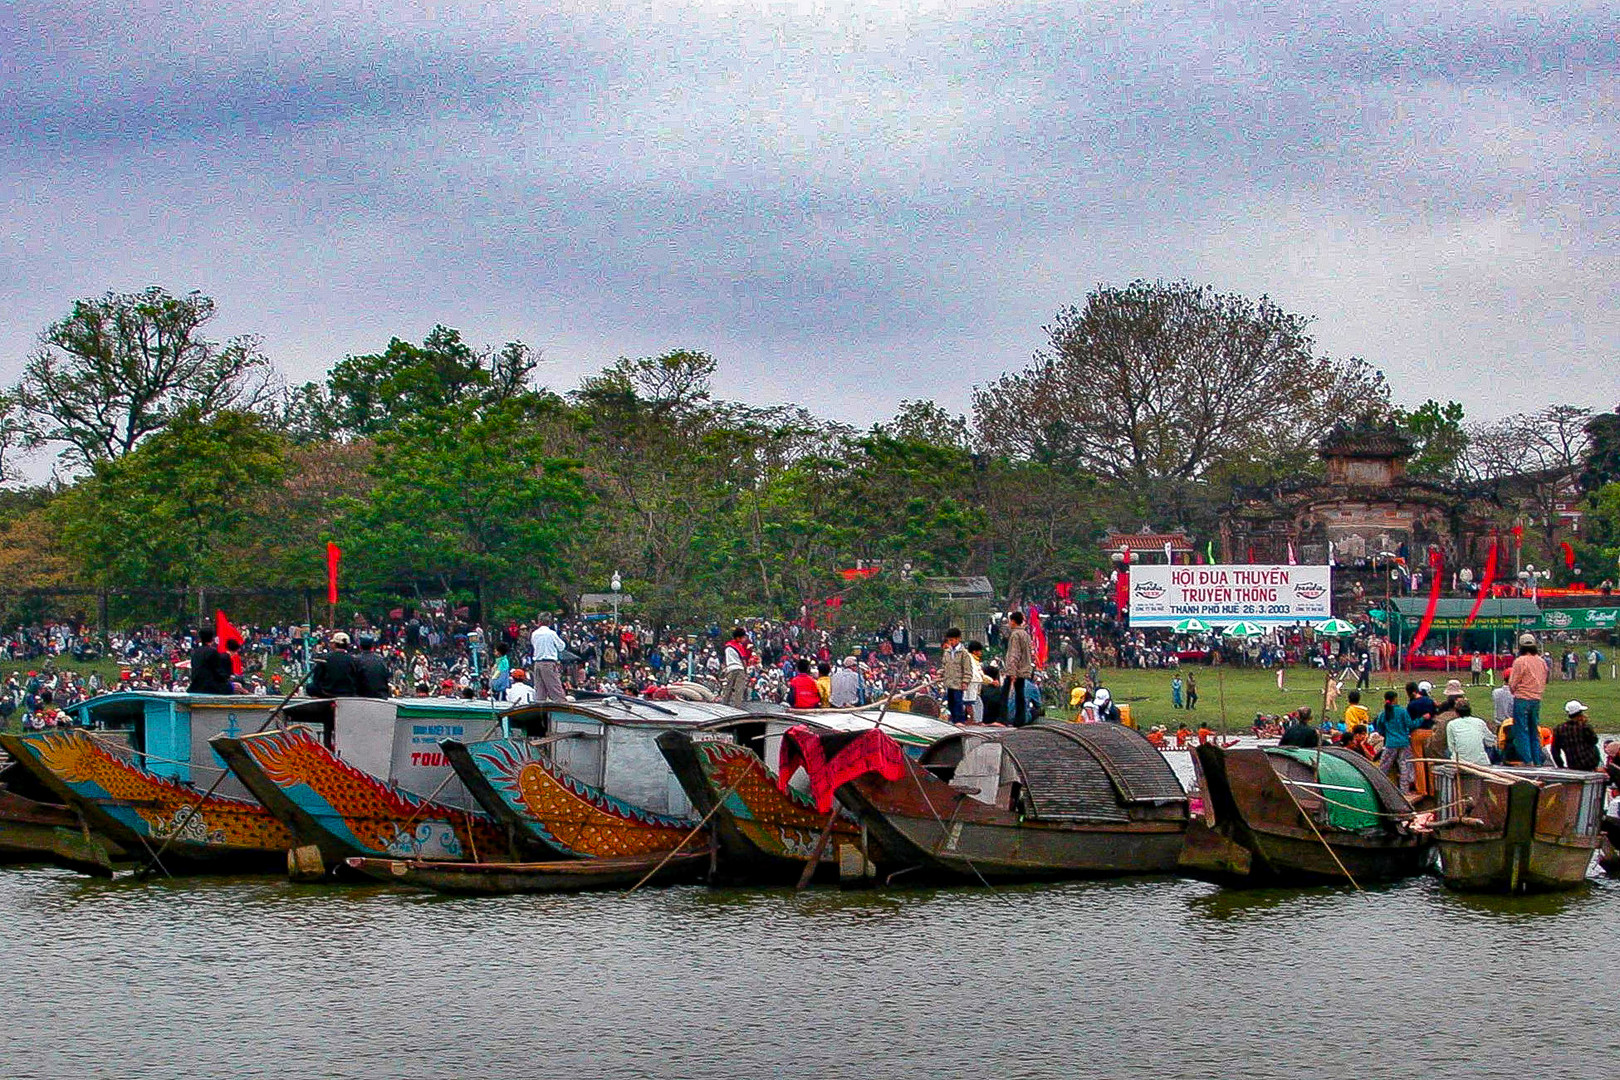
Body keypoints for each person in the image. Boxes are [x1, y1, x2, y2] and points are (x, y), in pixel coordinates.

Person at [1507, 633, 1548, 767]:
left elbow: (1513, 682)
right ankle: (1537, 761)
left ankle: (1527, 760)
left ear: (1521, 647)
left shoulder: (1520, 661)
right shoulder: (1541, 661)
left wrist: (1513, 690)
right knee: (1533, 731)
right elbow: (1545, 679)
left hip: (1522, 699)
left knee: (1521, 731)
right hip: (1537, 699)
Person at [1374, 689, 1416, 793]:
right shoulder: (1402, 711)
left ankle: (1380, 788)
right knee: (1404, 766)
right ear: (1395, 699)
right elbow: (1410, 725)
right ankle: (1404, 790)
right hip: (1404, 742)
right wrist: (1421, 720)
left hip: (1390, 743)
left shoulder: (1384, 713)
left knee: (1384, 767)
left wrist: (1386, 735)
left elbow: (1379, 727)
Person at [1002, 611, 1034, 727]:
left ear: (1013, 621)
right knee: (1020, 695)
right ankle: (1020, 720)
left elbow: (1014, 654)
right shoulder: (1025, 634)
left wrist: (1012, 672)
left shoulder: (1015, 634)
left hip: (1016, 670)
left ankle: (1002, 719)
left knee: (1004, 694)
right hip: (1024, 669)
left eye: (1010, 621)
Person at [1551, 700, 1600, 771]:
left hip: (1572, 764)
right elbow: (1594, 740)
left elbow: (1554, 750)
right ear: (1580, 714)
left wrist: (1560, 766)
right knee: (1595, 747)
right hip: (1589, 763)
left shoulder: (1558, 729)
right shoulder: (1585, 727)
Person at [308, 632, 359, 698]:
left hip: (327, 693)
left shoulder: (324, 658)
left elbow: (317, 679)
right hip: (348, 693)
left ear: (334, 644)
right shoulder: (354, 660)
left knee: (310, 687)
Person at [186, 627, 234, 695]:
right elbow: (218, 672)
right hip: (209, 687)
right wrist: (227, 679)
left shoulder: (194, 652)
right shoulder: (212, 652)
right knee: (233, 687)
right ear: (212, 638)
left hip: (195, 685)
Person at [1444, 700, 1494, 766]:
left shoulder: (1451, 724)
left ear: (1456, 712)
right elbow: (1490, 740)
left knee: (1447, 751)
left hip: (1461, 763)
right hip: (1481, 762)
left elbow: (1451, 747)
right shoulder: (1479, 722)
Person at [530, 614, 567, 701]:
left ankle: (539, 709)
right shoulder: (551, 633)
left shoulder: (534, 634)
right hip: (548, 663)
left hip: (537, 663)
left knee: (540, 690)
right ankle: (562, 708)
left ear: (539, 622)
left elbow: (533, 645)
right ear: (549, 622)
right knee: (555, 689)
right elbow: (561, 647)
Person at [939, 627, 971, 724]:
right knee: (951, 702)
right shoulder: (947, 652)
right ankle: (953, 720)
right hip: (949, 682)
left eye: (952, 640)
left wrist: (965, 681)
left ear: (958, 639)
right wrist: (941, 673)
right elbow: (945, 665)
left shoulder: (964, 653)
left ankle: (960, 721)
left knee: (958, 702)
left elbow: (967, 669)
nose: (951, 642)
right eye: (949, 640)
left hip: (958, 683)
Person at [720, 628, 753, 707]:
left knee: (728, 687)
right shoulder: (738, 646)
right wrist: (745, 671)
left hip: (730, 668)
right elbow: (743, 660)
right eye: (743, 637)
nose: (744, 639)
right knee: (739, 689)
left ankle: (724, 703)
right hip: (739, 669)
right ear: (738, 638)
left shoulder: (728, 645)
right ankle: (737, 706)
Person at [964, 641, 985, 721]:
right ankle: (972, 719)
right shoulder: (969, 658)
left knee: (972, 701)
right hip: (971, 681)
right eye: (980, 651)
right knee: (970, 702)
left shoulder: (974, 659)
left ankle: (975, 719)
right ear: (974, 651)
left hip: (974, 682)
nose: (981, 653)